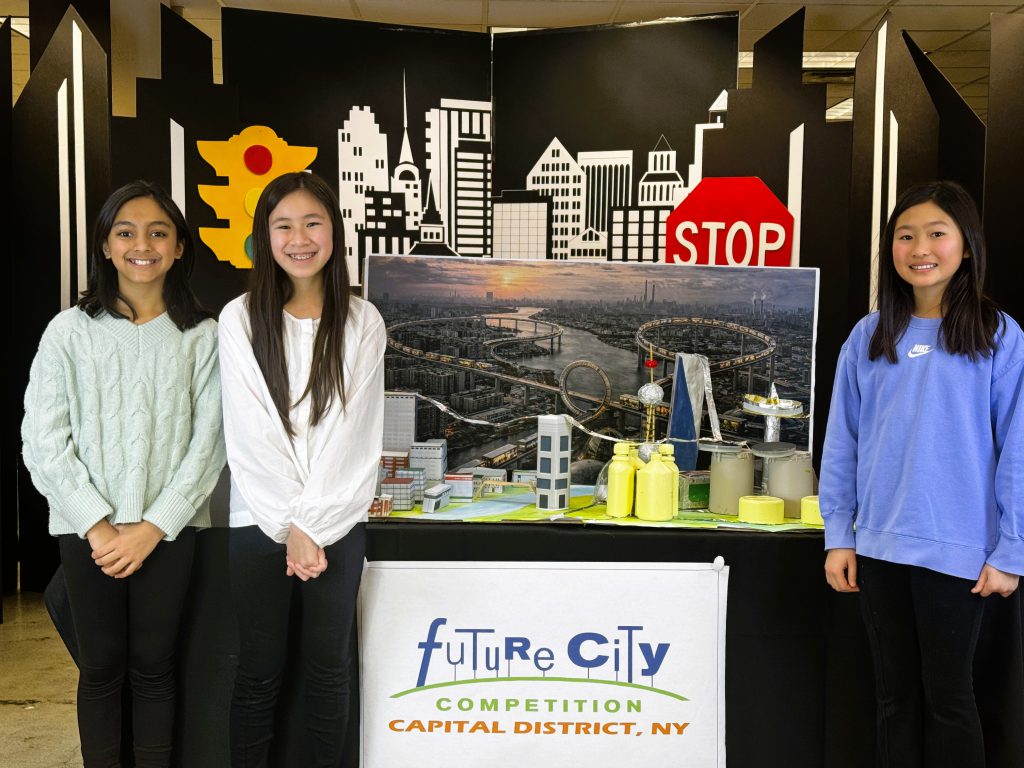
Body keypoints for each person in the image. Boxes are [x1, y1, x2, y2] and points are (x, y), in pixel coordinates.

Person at [22, 181, 226, 767]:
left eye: (159, 233)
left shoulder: (202, 336)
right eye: (126, 232)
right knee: (100, 668)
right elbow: (43, 439)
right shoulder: (68, 331)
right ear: (106, 246)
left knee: (155, 668)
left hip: (170, 531)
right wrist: (98, 526)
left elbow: (210, 444)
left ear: (179, 248)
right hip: (88, 533)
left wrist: (153, 526)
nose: (143, 245)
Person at [820, 180, 1024, 767]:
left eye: (937, 233)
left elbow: (1016, 450)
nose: (920, 248)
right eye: (905, 236)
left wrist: (1011, 549)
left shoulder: (998, 335)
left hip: (959, 551)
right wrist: (839, 535)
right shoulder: (869, 335)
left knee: (950, 701)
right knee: (894, 700)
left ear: (966, 244)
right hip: (878, 546)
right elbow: (843, 443)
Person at [218, 171, 385, 767]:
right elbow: (250, 432)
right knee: (258, 672)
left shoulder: (363, 320)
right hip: (258, 520)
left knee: (329, 669)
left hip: (337, 523)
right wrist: (292, 524)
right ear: (264, 237)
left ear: (334, 231)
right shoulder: (239, 318)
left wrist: (311, 523)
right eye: (283, 225)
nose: (299, 238)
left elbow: (355, 433)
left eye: (313, 223)